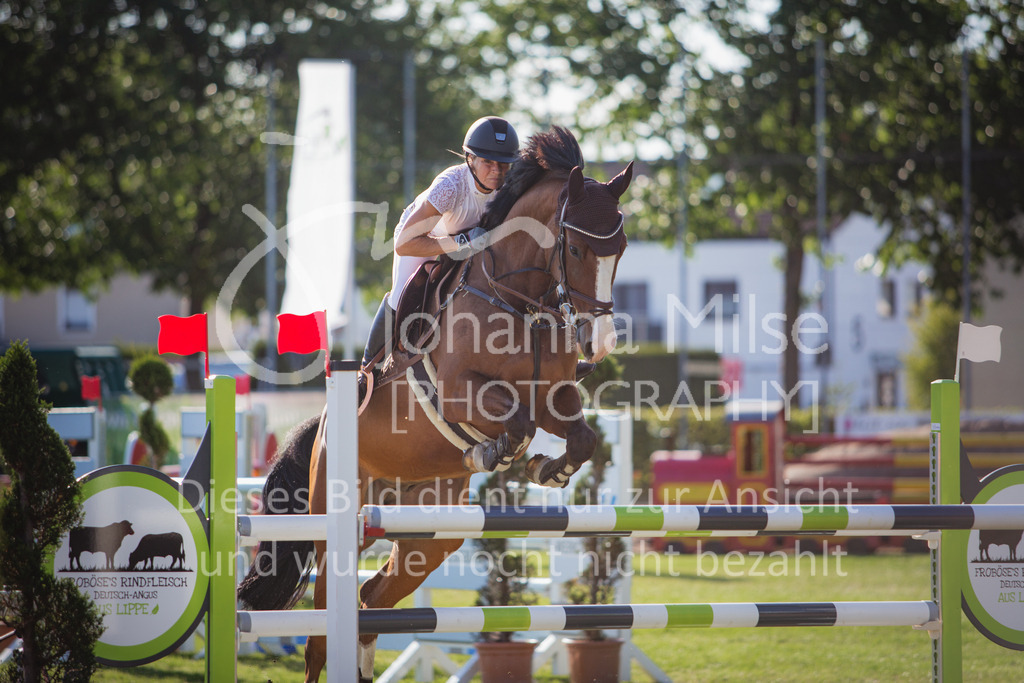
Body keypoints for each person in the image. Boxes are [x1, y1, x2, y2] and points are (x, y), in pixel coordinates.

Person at [361, 116, 519, 369]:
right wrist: (462, 240)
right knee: (401, 295)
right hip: (425, 240)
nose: (497, 171)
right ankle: (366, 369)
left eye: (504, 164)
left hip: (472, 244)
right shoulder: (451, 187)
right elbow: (405, 243)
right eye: (488, 162)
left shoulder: (510, 188)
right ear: (470, 159)